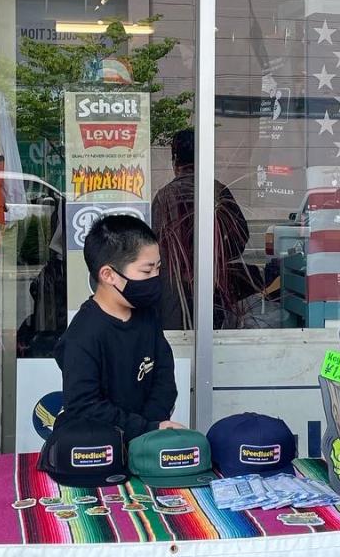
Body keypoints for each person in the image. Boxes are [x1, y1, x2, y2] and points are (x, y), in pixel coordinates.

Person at [54, 214, 181, 440]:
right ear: (108, 275)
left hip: (148, 442)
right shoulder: (82, 335)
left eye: (158, 269)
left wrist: (152, 426)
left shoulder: (147, 316)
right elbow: (85, 406)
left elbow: (164, 378)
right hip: (100, 448)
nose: (155, 278)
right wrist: (143, 428)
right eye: (146, 271)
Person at [151, 128, 254, 330]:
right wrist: (216, 260)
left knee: (179, 340)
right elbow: (240, 237)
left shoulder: (165, 196)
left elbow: (156, 247)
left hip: (175, 291)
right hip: (215, 285)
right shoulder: (218, 191)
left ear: (175, 160)